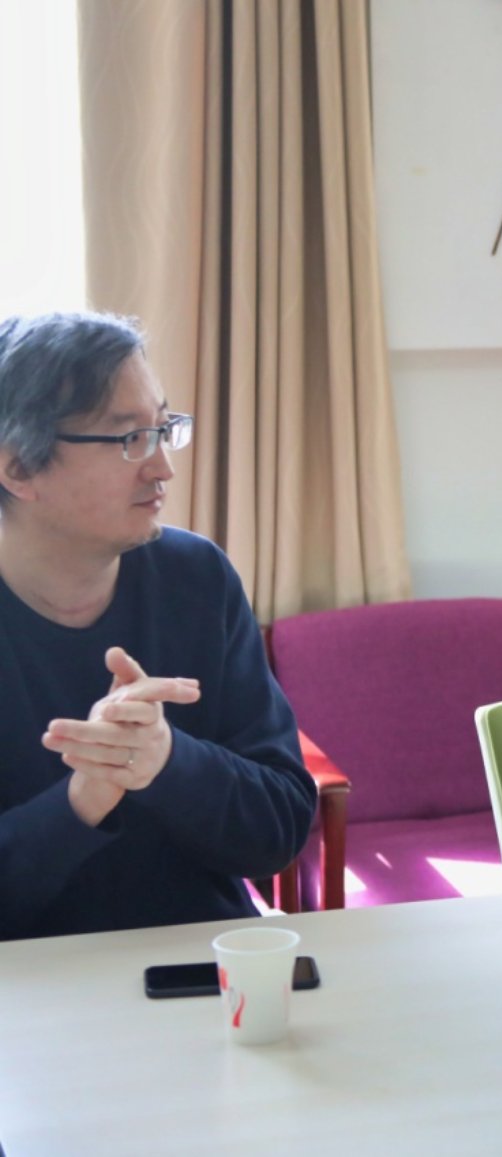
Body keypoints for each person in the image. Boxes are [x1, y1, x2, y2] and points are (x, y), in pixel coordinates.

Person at [0, 312, 315, 940]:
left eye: (163, 429)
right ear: (19, 469)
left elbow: (279, 831)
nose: (163, 468)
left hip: (200, 961)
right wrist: (82, 799)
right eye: (129, 439)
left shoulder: (196, 577)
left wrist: (167, 759)